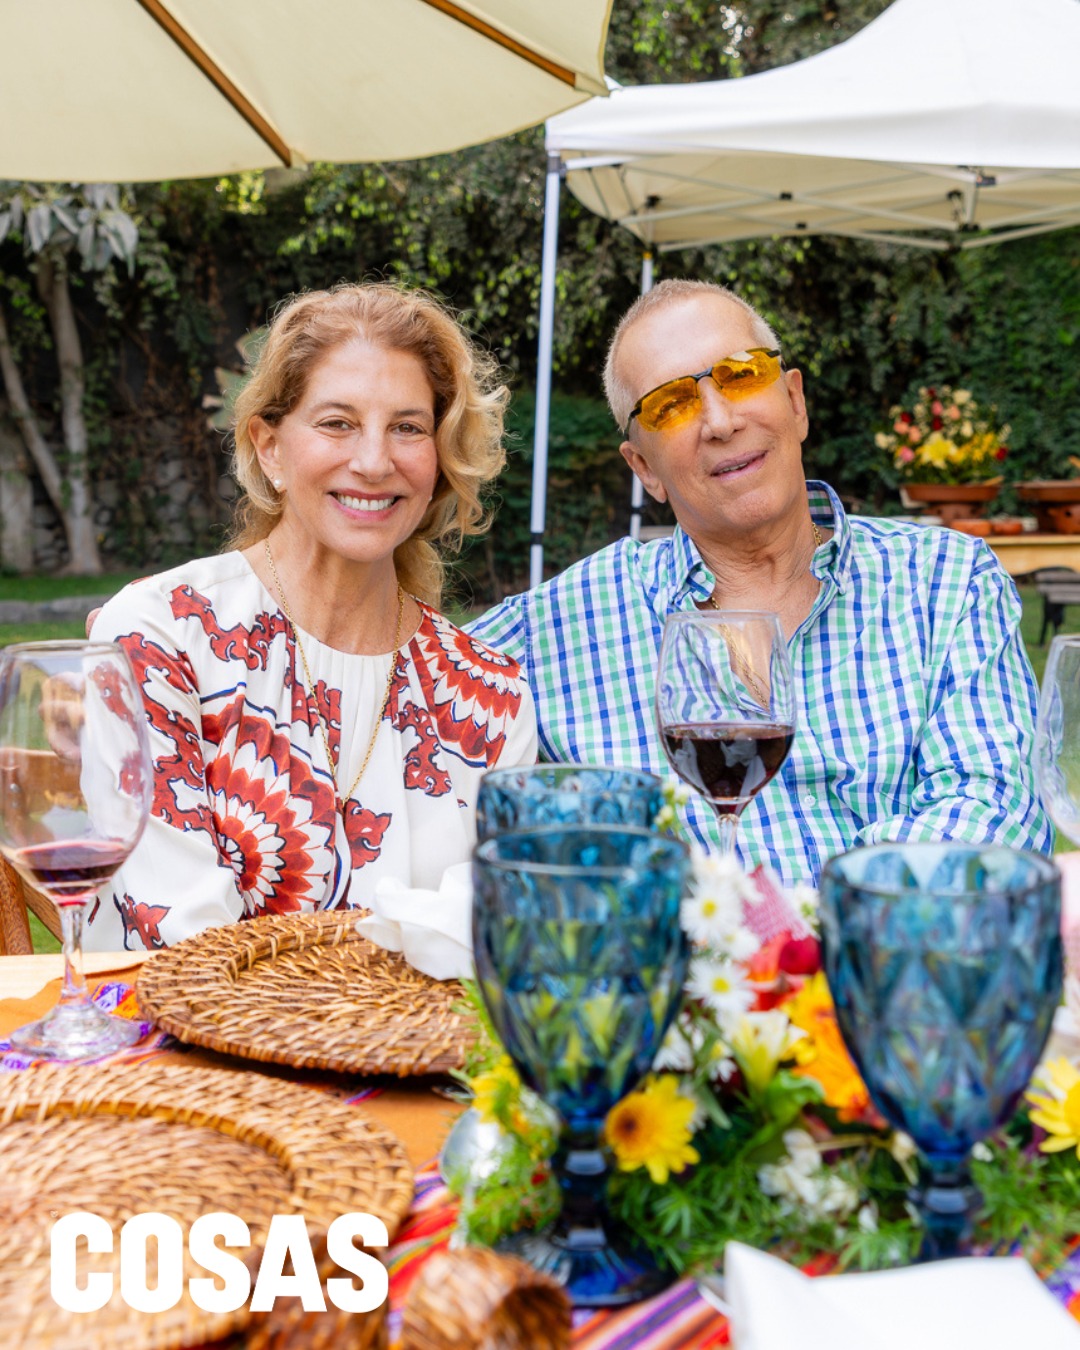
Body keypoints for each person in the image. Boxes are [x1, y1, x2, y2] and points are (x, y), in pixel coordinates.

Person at [469, 278, 1051, 885]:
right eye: (672, 406)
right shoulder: (557, 628)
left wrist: (787, 939)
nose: (719, 421)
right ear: (644, 469)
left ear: (795, 402)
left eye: (741, 376)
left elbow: (995, 818)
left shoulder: (946, 582)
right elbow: (390, 688)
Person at [86, 282, 537, 951]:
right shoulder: (163, 635)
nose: (374, 460)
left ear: (438, 460)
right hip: (184, 1051)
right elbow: (174, 938)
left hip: (419, 1052)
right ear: (269, 447)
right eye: (337, 423)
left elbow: (496, 944)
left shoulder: (489, 697)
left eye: (408, 428)